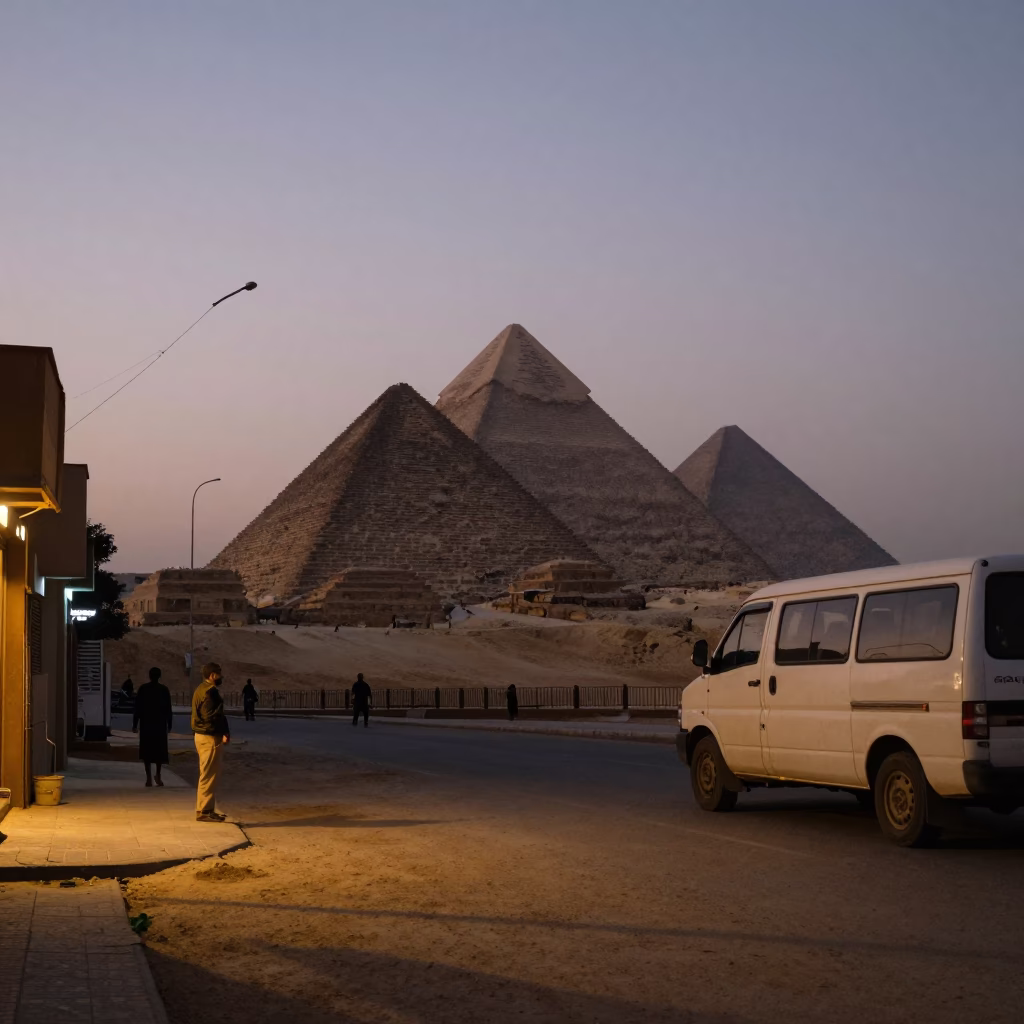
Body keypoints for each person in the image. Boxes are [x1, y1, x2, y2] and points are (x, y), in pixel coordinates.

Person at [191, 662, 230, 822]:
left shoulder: (200, 689)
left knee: (208, 774)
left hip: (201, 736)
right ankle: (204, 812)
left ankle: (207, 808)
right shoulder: (210, 691)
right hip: (209, 737)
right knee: (208, 775)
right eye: (219, 673)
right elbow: (212, 716)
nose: (221, 676)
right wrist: (222, 732)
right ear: (212, 675)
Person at [132, 667, 172, 787]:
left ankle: (148, 777)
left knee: (147, 751)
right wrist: (169, 724)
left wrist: (135, 724)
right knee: (159, 751)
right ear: (159, 676)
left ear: (149, 676)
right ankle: (158, 775)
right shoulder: (164, 690)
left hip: (146, 725)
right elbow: (168, 709)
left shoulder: (143, 689)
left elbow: (137, 708)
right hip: (159, 725)